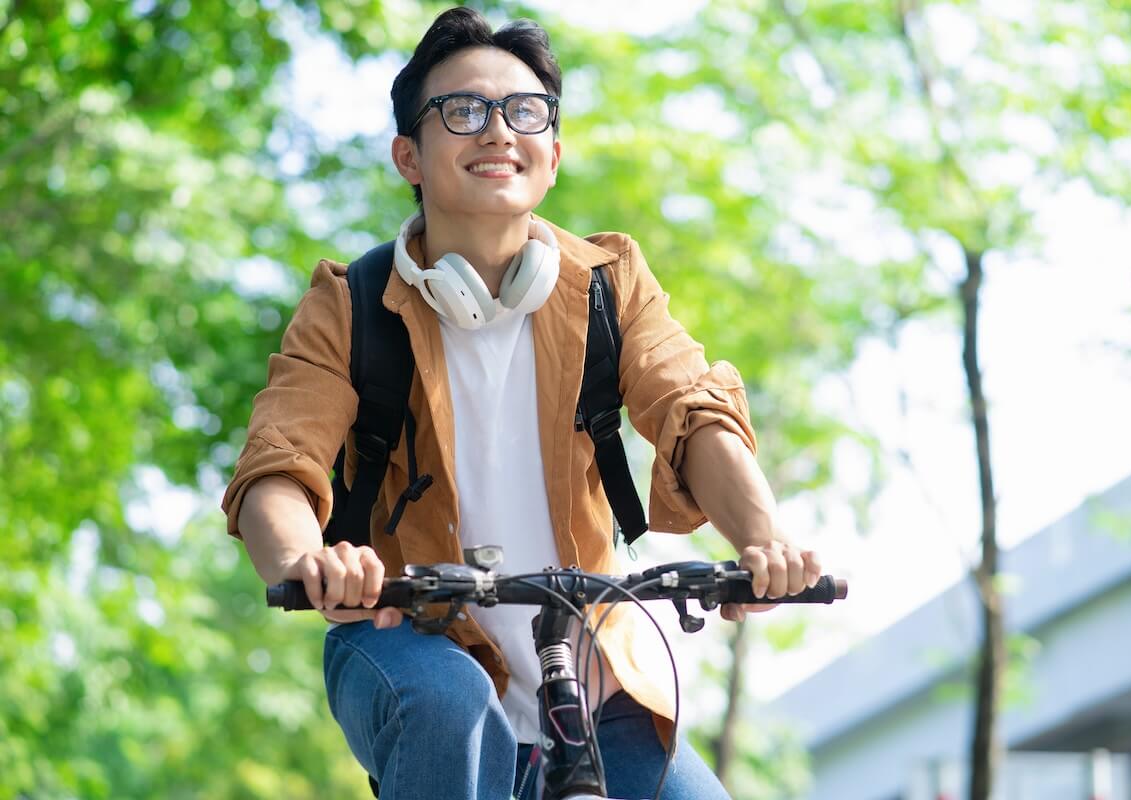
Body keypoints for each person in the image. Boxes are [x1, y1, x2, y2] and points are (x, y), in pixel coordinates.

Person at [221, 7, 821, 800]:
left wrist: (763, 539)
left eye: (524, 110)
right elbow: (278, 465)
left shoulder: (608, 286)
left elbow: (692, 408)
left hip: (595, 661)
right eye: (463, 111)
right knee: (449, 704)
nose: (499, 131)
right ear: (410, 154)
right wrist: (311, 561)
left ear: (554, 153)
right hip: (412, 640)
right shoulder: (351, 304)